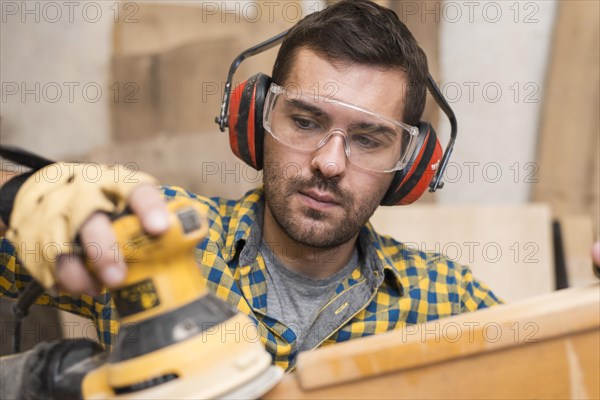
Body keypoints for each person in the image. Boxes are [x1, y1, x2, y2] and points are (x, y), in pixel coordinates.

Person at [0, 0, 501, 371]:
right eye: (305, 122)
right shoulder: (152, 237)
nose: (329, 162)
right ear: (253, 119)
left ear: (410, 165)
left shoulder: (447, 299)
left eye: (369, 139)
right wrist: (21, 199)